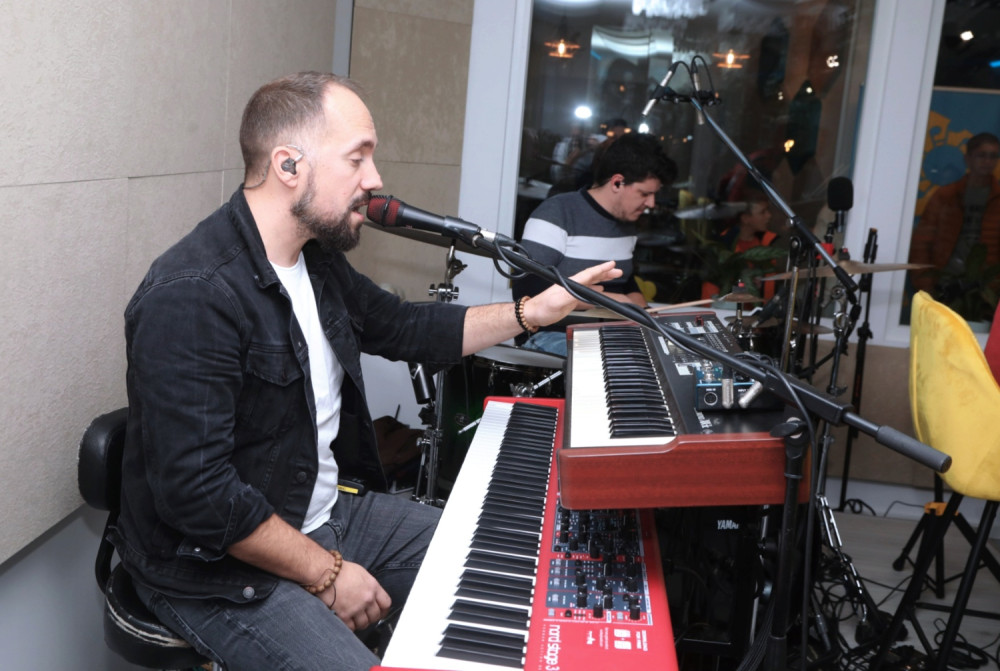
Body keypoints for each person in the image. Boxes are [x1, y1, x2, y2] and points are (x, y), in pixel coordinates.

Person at [112, 71, 621, 671]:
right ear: (288, 165)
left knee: (515, 563)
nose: (374, 180)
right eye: (357, 159)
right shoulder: (193, 294)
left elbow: (406, 327)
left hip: (325, 515)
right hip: (213, 570)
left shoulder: (315, 262)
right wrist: (327, 574)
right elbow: (198, 497)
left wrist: (532, 312)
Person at [513, 132, 676, 356]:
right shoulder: (556, 213)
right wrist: (614, 301)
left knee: (668, 355)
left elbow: (624, 282)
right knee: (616, 363)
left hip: (607, 334)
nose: (651, 203)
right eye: (644, 193)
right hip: (551, 334)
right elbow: (529, 292)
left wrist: (647, 313)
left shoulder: (627, 223)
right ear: (617, 182)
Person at [909, 132, 1000, 294]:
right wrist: (926, 286)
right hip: (945, 281)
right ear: (968, 159)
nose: (987, 162)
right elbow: (922, 243)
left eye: (993, 156)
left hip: (986, 289)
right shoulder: (946, 196)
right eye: (981, 155)